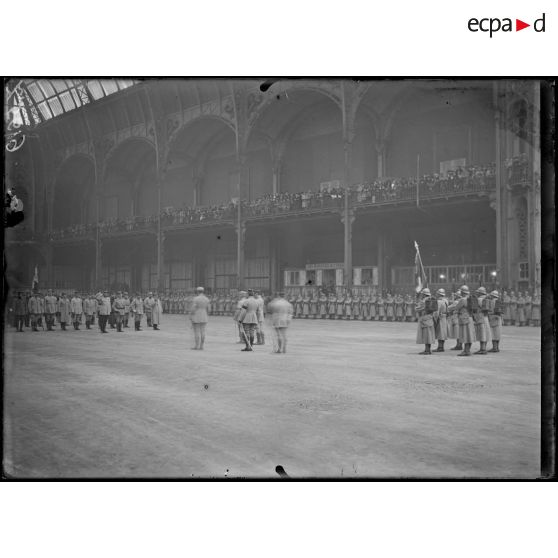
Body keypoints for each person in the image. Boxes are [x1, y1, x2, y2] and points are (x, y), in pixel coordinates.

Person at [447, 285, 476, 356]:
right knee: (469, 335)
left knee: (465, 335)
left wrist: (447, 308)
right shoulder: (470, 298)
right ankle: (468, 350)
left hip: (464, 318)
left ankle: (466, 351)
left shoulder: (463, 299)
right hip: (470, 317)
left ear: (462, 292)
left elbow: (456, 307)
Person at [415, 288, 436, 355]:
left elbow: (419, 309)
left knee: (426, 335)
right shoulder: (431, 300)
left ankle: (427, 350)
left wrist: (416, 307)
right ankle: (428, 349)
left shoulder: (424, 301)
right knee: (429, 335)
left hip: (424, 318)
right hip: (430, 318)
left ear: (424, 294)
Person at [472, 286, 491, 355]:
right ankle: (484, 348)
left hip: (480, 317)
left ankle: (482, 349)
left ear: (480, 293)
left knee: (482, 333)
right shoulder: (487, 299)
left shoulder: (479, 299)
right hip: (486, 317)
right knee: (485, 333)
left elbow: (475, 309)